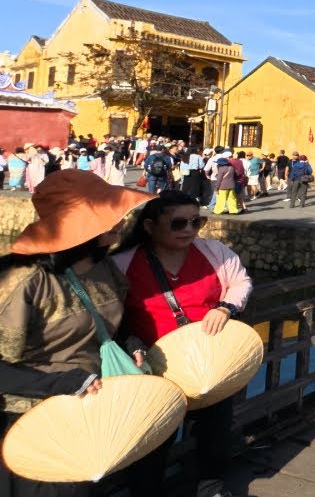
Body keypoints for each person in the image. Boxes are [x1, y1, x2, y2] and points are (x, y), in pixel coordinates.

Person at [2, 170, 155, 497]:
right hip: (34, 419)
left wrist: (130, 344)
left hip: (89, 409)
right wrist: (62, 383)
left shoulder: (102, 264)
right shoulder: (23, 279)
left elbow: (112, 321)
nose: (120, 220)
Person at [110, 190, 252, 497]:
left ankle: (211, 485)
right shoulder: (123, 263)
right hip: (154, 365)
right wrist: (131, 342)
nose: (188, 229)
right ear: (149, 226)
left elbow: (241, 281)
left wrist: (226, 306)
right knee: (153, 436)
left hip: (208, 361)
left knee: (215, 428)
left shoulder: (213, 252)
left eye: (195, 221)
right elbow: (110, 315)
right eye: (177, 223)